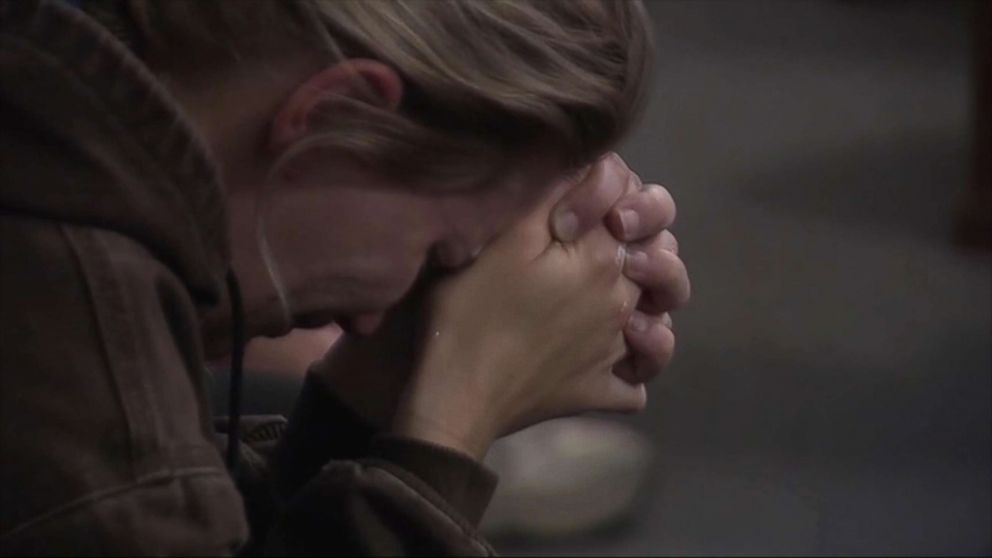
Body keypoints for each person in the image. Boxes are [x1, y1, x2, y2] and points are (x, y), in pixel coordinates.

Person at [0, 0, 690, 555]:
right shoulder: (77, 335)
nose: (375, 316)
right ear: (340, 114)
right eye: (439, 254)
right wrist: (449, 429)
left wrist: (372, 401)